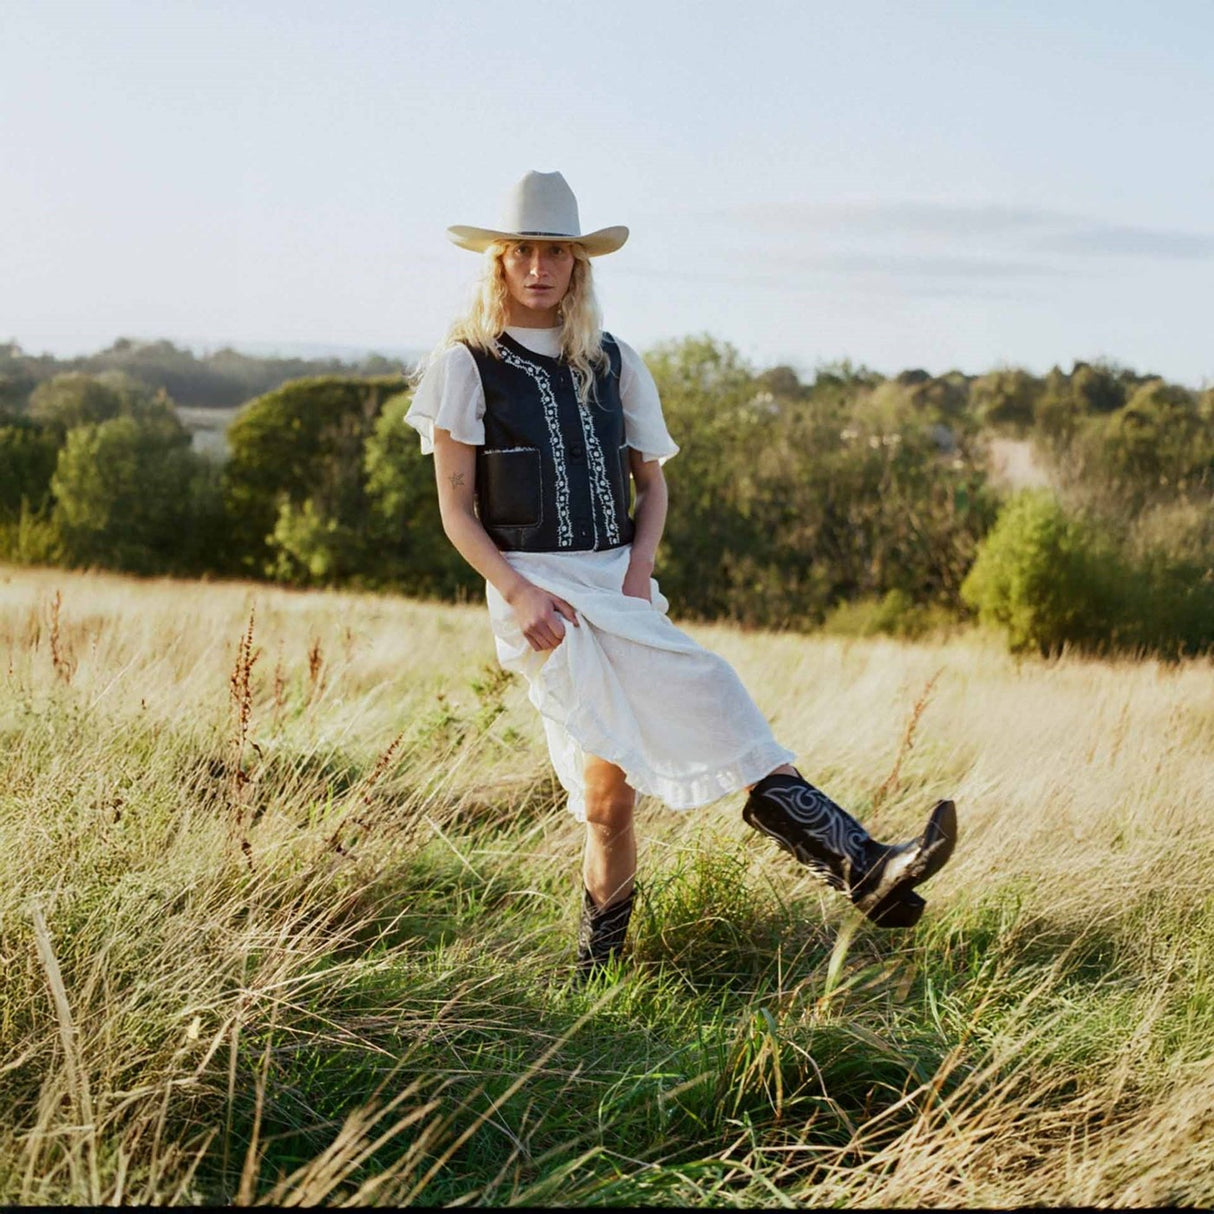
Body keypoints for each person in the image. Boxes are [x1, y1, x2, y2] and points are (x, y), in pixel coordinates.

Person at [405, 170, 956, 982]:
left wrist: (637, 578)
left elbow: (651, 484)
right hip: (540, 596)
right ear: (499, 263)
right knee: (715, 691)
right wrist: (519, 593)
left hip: (619, 587)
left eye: (554, 251)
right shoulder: (466, 366)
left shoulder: (615, 363)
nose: (538, 266)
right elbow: (456, 509)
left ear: (576, 265)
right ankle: (868, 870)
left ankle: (601, 972)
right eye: (522, 250)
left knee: (607, 799)